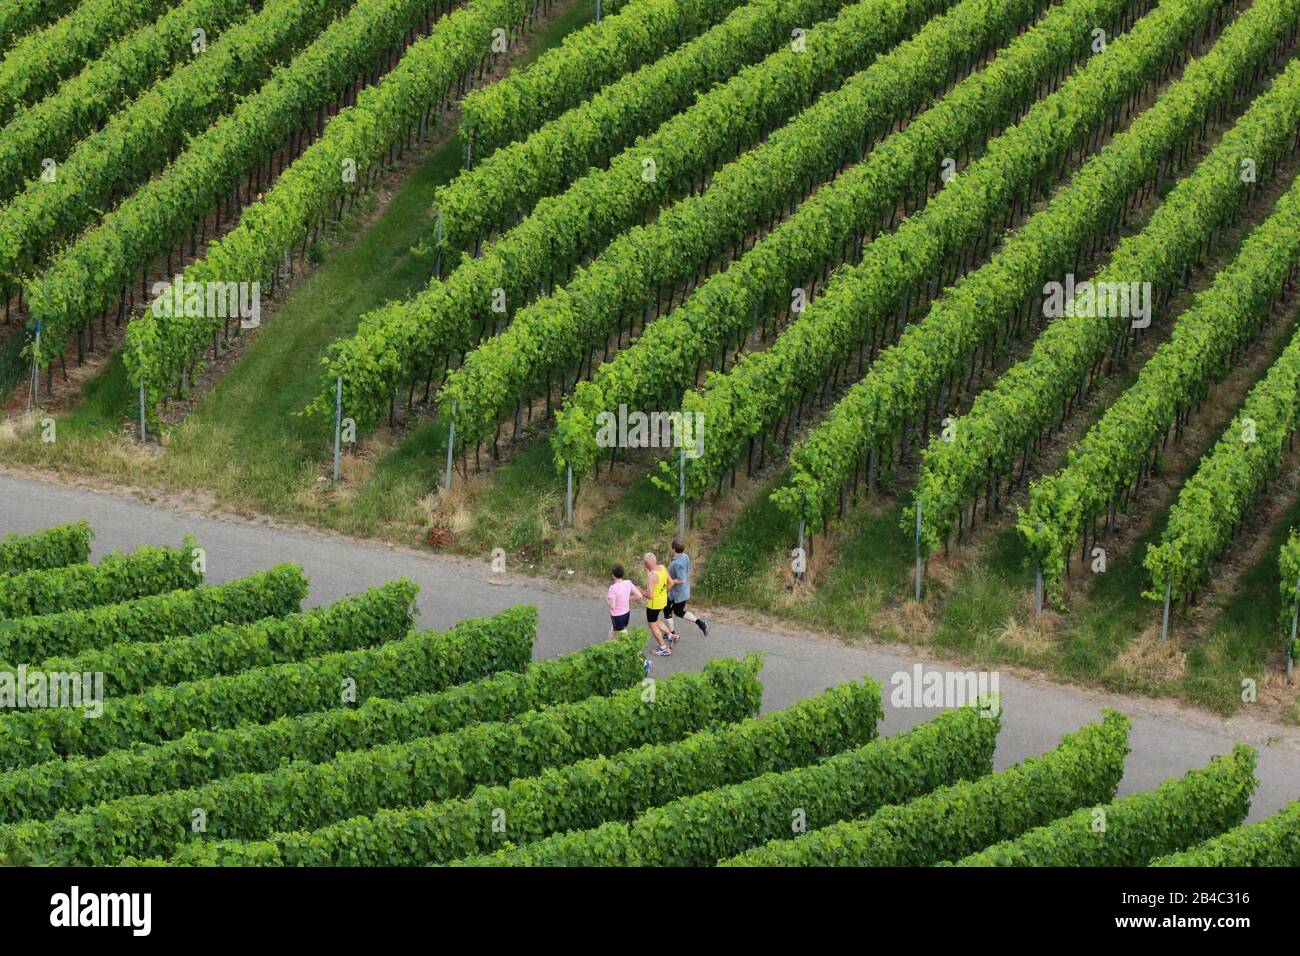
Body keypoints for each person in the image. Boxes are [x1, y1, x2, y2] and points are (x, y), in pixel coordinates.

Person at [664, 539, 707, 644]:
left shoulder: (676, 564)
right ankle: (701, 623)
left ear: (673, 549)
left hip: (676, 594)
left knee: (667, 612)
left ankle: (672, 635)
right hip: (684, 591)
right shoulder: (685, 556)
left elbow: (682, 579)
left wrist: (669, 580)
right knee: (679, 612)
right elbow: (689, 569)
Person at [643, 552, 673, 656]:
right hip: (663, 600)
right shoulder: (663, 568)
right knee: (656, 619)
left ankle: (663, 648)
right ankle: (670, 634)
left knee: (652, 624)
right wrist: (664, 592)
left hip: (653, 603)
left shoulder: (652, 575)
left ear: (647, 563)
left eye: (644, 563)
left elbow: (650, 595)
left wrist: (640, 592)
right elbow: (671, 583)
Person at [606, 565, 643, 642]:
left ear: (613, 575)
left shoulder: (612, 588)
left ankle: (634, 651)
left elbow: (612, 606)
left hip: (617, 616)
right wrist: (628, 598)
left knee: (625, 637)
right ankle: (609, 647)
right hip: (626, 613)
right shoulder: (628, 583)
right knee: (612, 632)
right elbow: (639, 595)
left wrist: (606, 599)